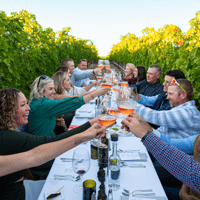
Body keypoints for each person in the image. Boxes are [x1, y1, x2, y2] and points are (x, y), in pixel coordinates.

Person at [0, 88, 106, 200]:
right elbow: (46, 146)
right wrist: (86, 131)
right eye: (22, 105)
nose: (28, 108)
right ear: (8, 111)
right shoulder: (8, 138)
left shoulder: (8, 133)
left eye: (27, 103)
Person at [26, 75, 109, 177]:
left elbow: (74, 98)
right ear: (40, 89)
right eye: (50, 89)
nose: (53, 92)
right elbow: (70, 103)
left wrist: (54, 122)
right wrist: (96, 93)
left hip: (48, 146)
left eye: (54, 89)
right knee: (84, 159)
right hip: (43, 156)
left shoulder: (38, 102)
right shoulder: (41, 104)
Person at [121, 116, 200, 200]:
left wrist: (143, 134)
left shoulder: (188, 112)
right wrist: (144, 127)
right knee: (138, 183)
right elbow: (172, 143)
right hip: (186, 192)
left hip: (188, 196)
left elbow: (194, 174)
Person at [135, 79, 200, 139]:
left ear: (183, 95)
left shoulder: (188, 113)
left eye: (170, 94)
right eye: (167, 93)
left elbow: (155, 116)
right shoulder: (180, 109)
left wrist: (130, 105)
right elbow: (158, 132)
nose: (167, 97)